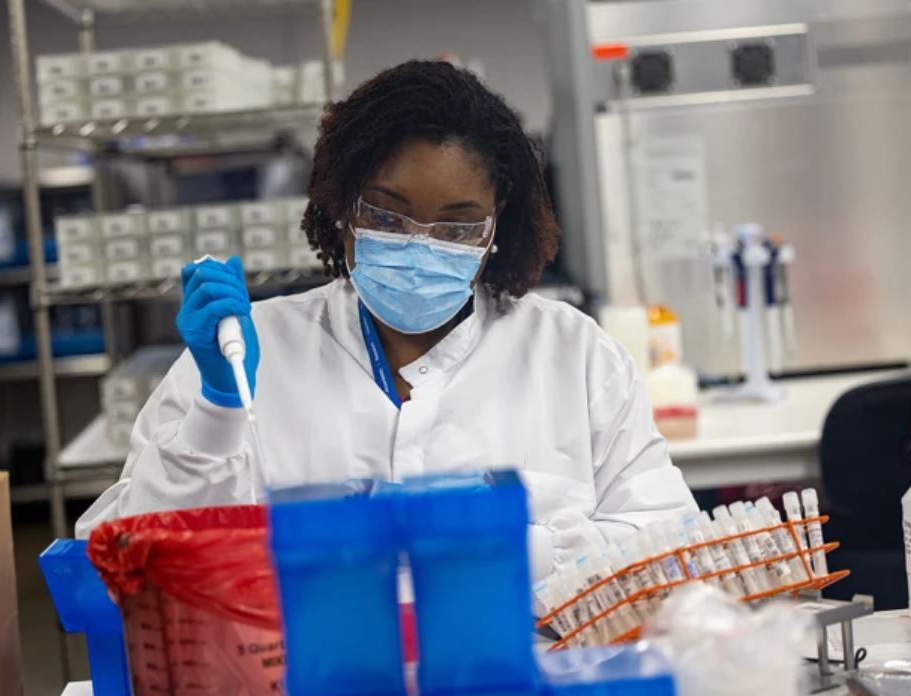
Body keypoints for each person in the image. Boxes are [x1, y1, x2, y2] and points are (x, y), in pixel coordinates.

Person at [77, 60, 697, 582]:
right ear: (343, 203)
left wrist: (516, 546)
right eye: (390, 216)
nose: (420, 244)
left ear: (494, 228)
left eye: (456, 225)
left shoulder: (572, 354)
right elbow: (129, 564)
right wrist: (216, 413)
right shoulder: (244, 354)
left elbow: (672, 546)